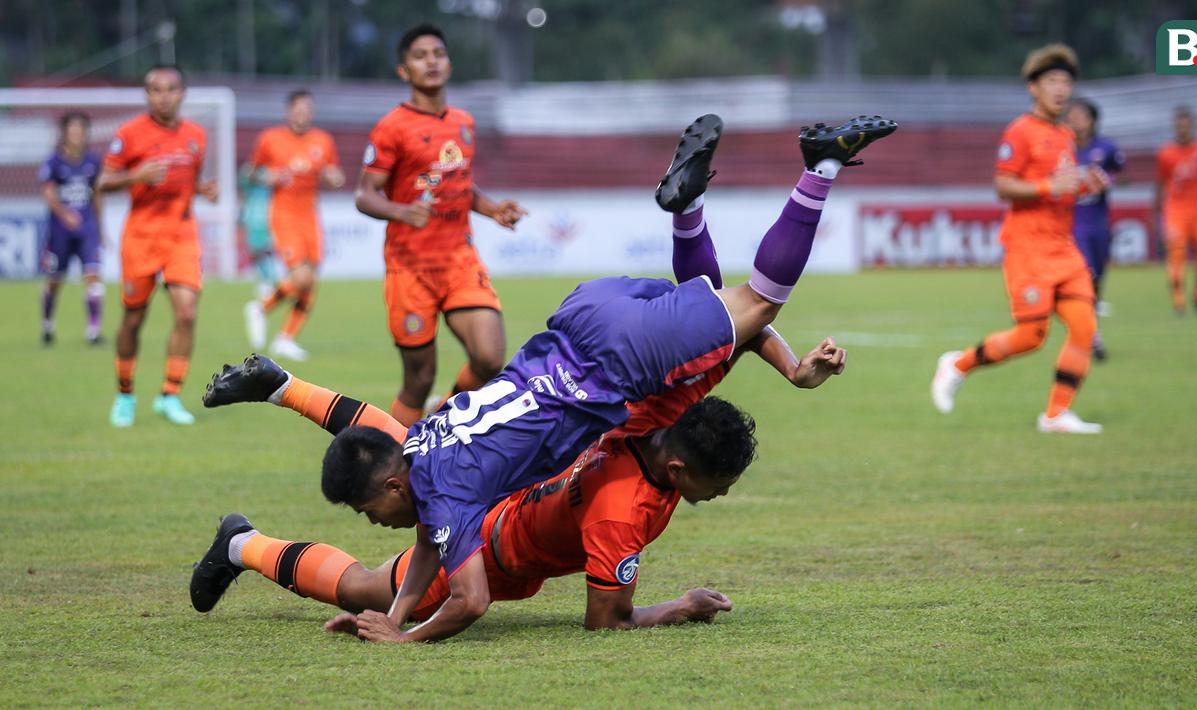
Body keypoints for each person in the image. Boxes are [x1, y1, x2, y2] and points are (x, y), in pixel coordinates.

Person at [195, 112, 895, 643]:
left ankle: (815, 170)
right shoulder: (429, 445)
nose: (371, 517)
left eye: (366, 509)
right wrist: (398, 619)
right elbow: (434, 549)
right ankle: (691, 210)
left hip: (607, 365)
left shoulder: (439, 490)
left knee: (754, 301)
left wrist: (399, 637)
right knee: (715, 300)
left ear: (390, 485)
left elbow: (467, 596)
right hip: (584, 317)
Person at [354, 23, 528, 427]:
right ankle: (399, 459)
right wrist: (402, 211)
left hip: (458, 260)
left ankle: (439, 423)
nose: (431, 62)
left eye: (438, 54)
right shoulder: (392, 127)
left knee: (489, 357)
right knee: (419, 377)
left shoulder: (463, 123)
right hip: (410, 267)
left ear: (448, 63)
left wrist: (491, 209)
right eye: (420, 56)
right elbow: (365, 194)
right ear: (404, 71)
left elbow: (460, 184)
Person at [931, 44, 1109, 434]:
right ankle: (957, 365)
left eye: (1066, 82)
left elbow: (1060, 187)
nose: (1061, 90)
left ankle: (1056, 415)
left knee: (1084, 327)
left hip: (1064, 248)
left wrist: (1084, 185)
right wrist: (1050, 185)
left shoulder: (1064, 134)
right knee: (1031, 336)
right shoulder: (1020, 130)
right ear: (1034, 87)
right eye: (1052, 81)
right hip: (1028, 248)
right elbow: (1003, 185)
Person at [98, 65, 218, 427]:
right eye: (155, 89)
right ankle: (124, 394)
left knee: (186, 313)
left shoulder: (196, 135)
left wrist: (204, 190)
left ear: (182, 93)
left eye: (170, 89)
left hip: (181, 235)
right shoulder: (129, 134)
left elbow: (190, 181)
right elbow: (102, 182)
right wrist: (136, 175)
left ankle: (170, 395)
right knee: (133, 320)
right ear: (146, 94)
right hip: (141, 237)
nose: (163, 96)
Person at [243, 90, 344, 360]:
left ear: (312, 113)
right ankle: (260, 307)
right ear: (288, 111)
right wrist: (269, 176)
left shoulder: (323, 140)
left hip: (310, 216)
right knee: (300, 277)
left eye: (307, 110)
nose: (302, 115)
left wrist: (334, 177)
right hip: (284, 215)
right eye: (297, 109)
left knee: (310, 281)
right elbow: (250, 172)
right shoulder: (270, 139)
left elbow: (334, 173)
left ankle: (285, 338)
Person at [38, 111, 105, 346]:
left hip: (87, 230)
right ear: (65, 133)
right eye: (73, 130)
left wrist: (101, 228)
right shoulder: (54, 162)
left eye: (81, 130)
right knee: (55, 280)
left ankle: (93, 331)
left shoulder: (93, 162)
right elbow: (48, 192)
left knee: (93, 277)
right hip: (60, 233)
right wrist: (65, 214)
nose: (77, 134)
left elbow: (97, 194)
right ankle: (47, 325)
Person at [1066, 97, 1125, 360]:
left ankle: (1089, 327)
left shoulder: (1107, 148)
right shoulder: (1062, 148)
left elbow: (1123, 176)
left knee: (1098, 279)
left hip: (1099, 224)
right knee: (1086, 275)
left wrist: (1106, 181)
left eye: (1081, 115)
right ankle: (1091, 336)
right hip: (1073, 224)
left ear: (1092, 120)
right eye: (1072, 115)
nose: (1075, 120)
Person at [1155, 106, 1197, 315]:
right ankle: (1179, 300)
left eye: (1186, 125)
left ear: (1192, 125)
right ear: (1175, 127)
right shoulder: (1166, 153)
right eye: (1179, 125)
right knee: (1176, 254)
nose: (1182, 129)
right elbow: (1160, 183)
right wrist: (1155, 211)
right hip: (1175, 210)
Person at [238, 163, 277, 301]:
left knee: (266, 251)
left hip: (267, 217)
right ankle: (265, 280)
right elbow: (244, 177)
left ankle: (269, 281)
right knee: (255, 252)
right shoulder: (251, 176)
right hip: (253, 217)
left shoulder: (269, 180)